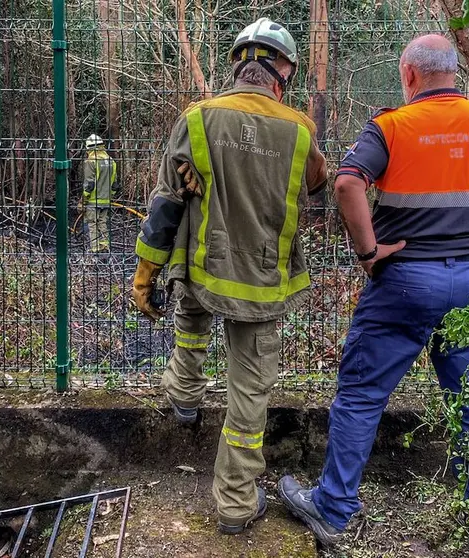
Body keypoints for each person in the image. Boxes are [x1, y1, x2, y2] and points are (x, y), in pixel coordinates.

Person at [278, 34, 469, 546]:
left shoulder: (392, 126)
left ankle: (332, 507)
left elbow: (348, 182)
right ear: (454, 72)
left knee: (362, 394)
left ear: (410, 75)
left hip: (404, 281)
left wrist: (369, 252)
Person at [131, 18, 328, 534]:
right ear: (281, 70)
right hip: (262, 281)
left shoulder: (196, 119)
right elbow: (318, 181)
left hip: (203, 267)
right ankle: (237, 506)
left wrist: (145, 272)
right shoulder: (300, 129)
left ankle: (183, 392)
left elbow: (166, 202)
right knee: (249, 393)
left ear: (239, 63)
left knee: (191, 313)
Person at [80, 134, 118, 252]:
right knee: (103, 223)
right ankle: (105, 246)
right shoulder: (111, 161)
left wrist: (83, 201)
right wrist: (109, 196)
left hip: (93, 200)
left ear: (89, 148)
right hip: (106, 199)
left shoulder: (91, 161)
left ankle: (95, 249)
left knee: (92, 224)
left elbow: (89, 185)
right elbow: (115, 184)